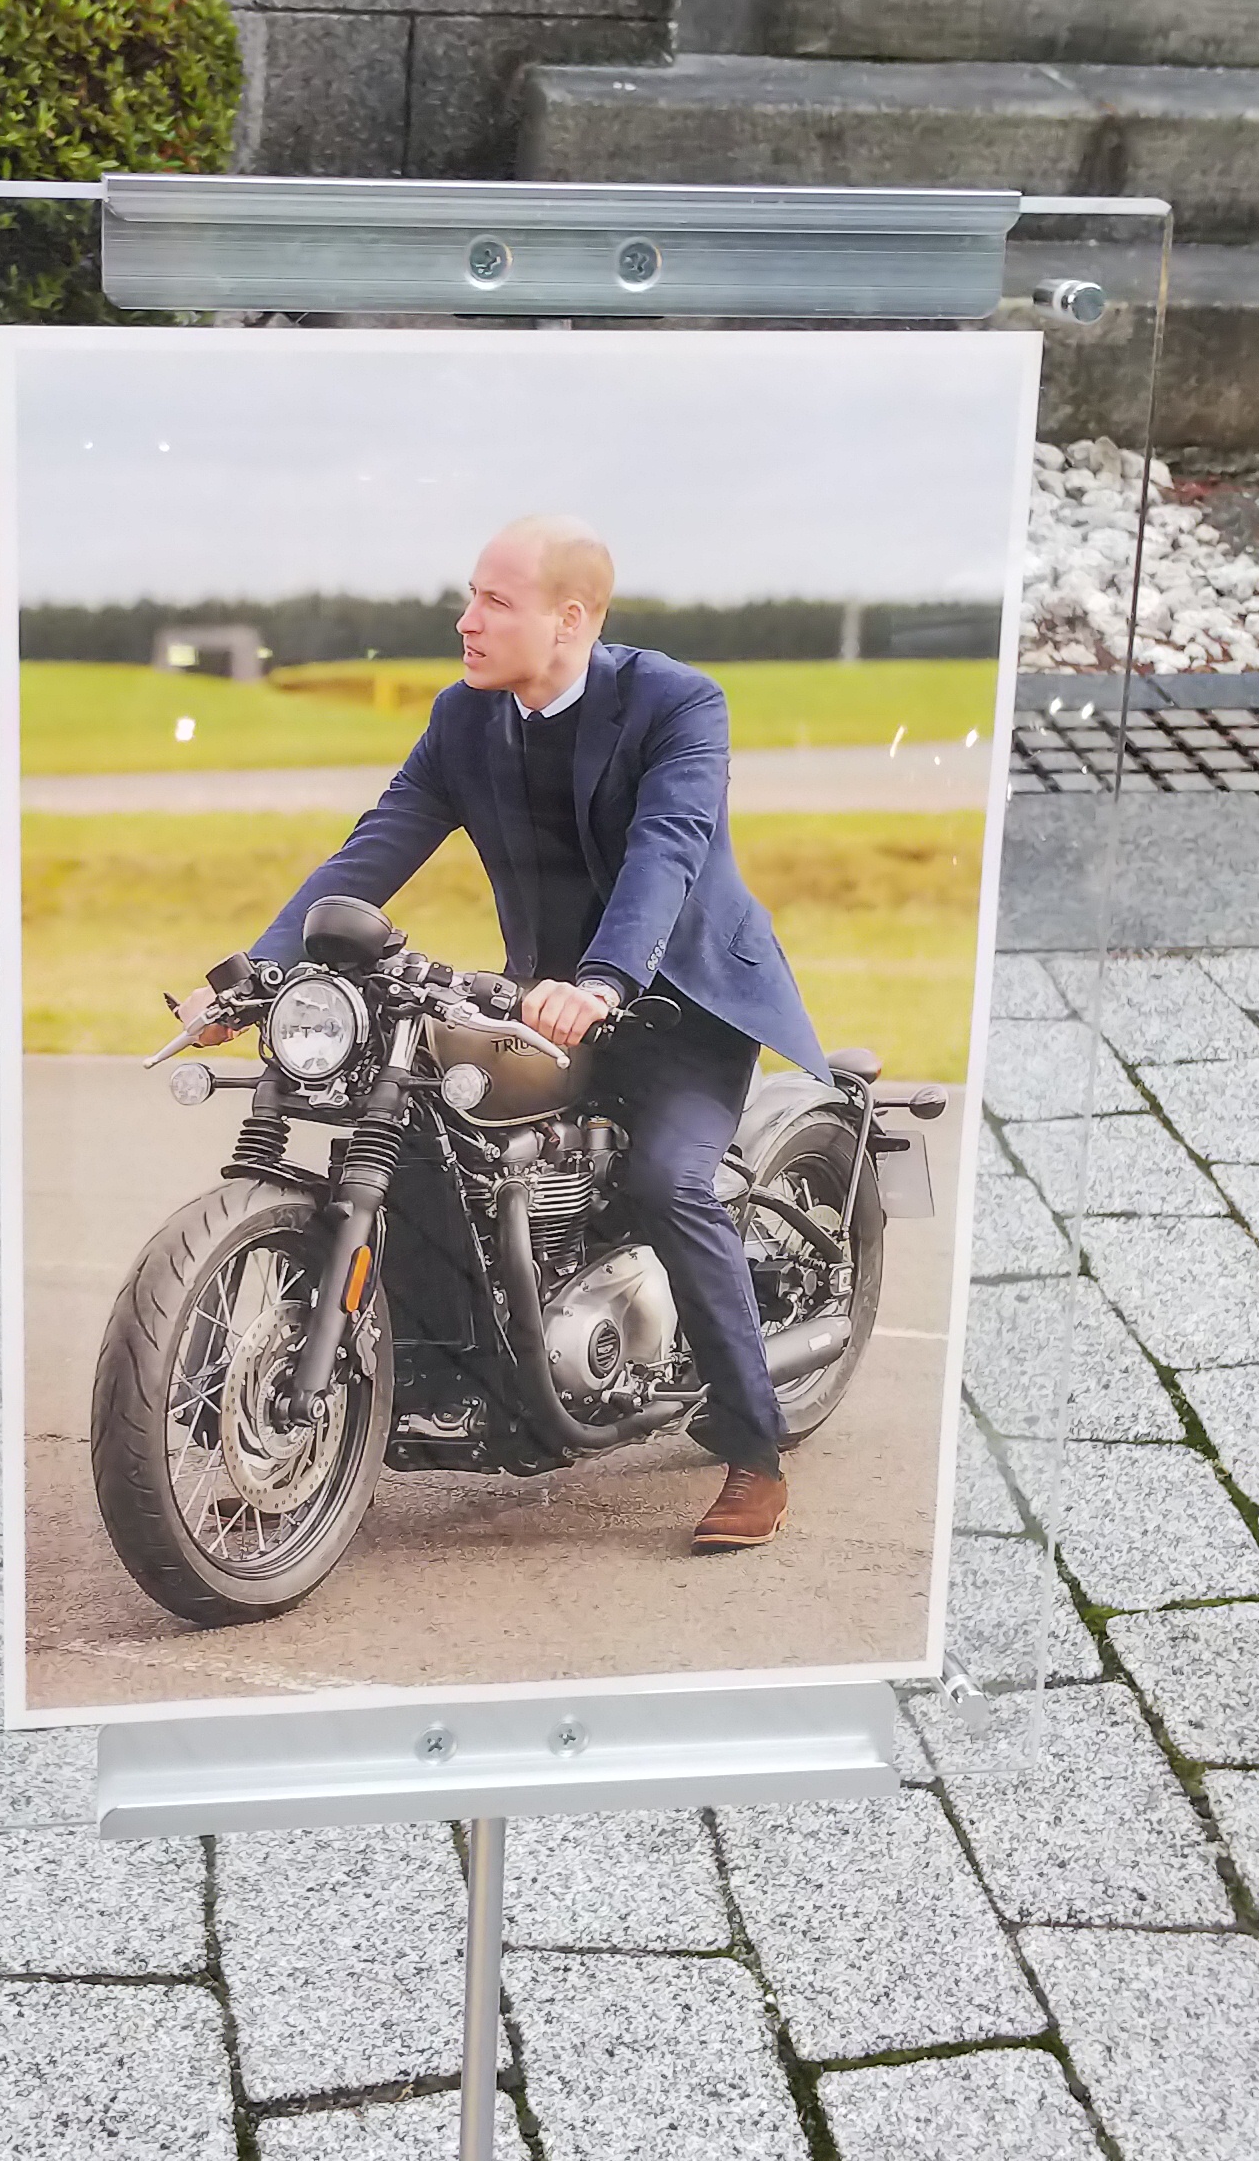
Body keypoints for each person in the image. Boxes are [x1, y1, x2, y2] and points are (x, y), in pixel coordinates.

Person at [195, 513, 829, 1551]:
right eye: (471, 596)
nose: (467, 619)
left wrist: (604, 979)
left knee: (668, 1181)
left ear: (569, 620)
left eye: (495, 600)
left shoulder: (676, 702)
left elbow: (666, 852)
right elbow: (376, 845)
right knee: (426, 1142)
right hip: (543, 997)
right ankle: (413, 1402)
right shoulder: (465, 717)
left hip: (681, 1000)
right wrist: (257, 975)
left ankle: (753, 1449)